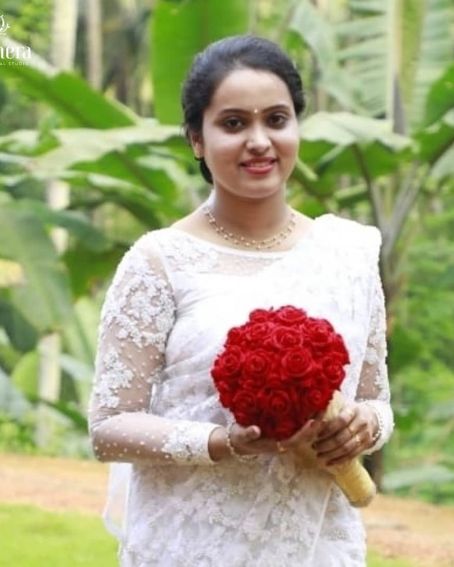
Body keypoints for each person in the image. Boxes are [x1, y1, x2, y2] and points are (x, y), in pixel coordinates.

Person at [89, 35, 394, 566]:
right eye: (233, 124)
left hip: (317, 544)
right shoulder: (159, 261)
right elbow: (110, 427)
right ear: (197, 140)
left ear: (296, 126)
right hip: (191, 544)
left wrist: (364, 425)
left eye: (276, 119)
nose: (259, 140)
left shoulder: (349, 252)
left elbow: (377, 401)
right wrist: (221, 441)